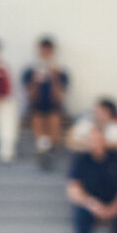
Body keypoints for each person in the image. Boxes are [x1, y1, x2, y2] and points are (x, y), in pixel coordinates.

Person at [21, 37, 68, 168]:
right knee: (37, 117)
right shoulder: (29, 72)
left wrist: (54, 77)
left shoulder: (61, 72)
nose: (46, 55)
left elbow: (59, 98)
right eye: (43, 51)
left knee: (54, 118)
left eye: (48, 52)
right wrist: (35, 80)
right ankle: (44, 149)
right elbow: (30, 97)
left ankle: (48, 149)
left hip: (54, 107)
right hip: (36, 106)